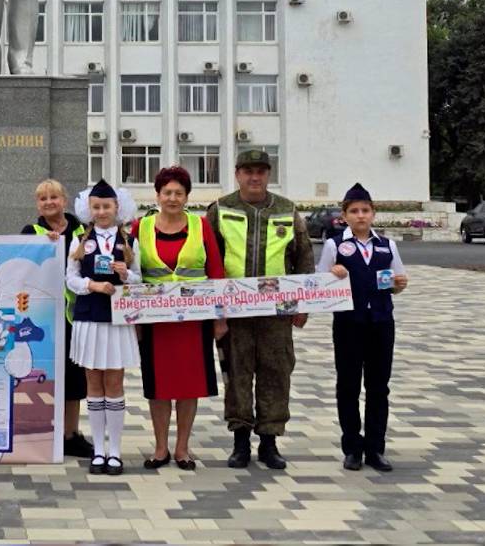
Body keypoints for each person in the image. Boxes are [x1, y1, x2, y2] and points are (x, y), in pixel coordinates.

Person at [205, 149, 313, 470]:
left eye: (261, 172)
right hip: (234, 313)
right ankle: (240, 442)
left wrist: (302, 303)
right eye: (248, 171)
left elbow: (303, 258)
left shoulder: (287, 210)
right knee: (237, 375)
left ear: (268, 174)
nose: (255, 177)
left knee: (276, 373)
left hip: (276, 313)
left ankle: (269, 441)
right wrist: (216, 310)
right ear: (237, 173)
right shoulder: (221, 209)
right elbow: (208, 259)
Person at [129, 166, 226, 471]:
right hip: (155, 323)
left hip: (193, 322)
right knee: (158, 386)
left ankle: (183, 447)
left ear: (187, 197)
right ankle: (160, 448)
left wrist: (219, 318)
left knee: (188, 384)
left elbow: (217, 272)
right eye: (167, 192)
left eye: (178, 193)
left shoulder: (201, 226)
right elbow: (127, 270)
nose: (172, 198)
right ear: (157, 195)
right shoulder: (139, 228)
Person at [316, 182, 410, 472]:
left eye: (365, 210)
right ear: (344, 215)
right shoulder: (335, 244)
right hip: (348, 324)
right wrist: (334, 272)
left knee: (379, 387)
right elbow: (319, 282)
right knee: (348, 385)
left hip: (381, 323)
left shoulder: (386, 245)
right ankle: (352, 448)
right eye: (354, 211)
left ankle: (376, 448)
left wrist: (399, 285)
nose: (360, 216)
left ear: (373, 214)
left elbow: (398, 280)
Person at [65, 179, 141, 475]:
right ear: (89, 208)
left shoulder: (130, 241)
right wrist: (92, 284)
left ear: (116, 207)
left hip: (118, 320)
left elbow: (140, 279)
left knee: (114, 384)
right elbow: (69, 277)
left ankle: (116, 451)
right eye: (95, 206)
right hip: (88, 317)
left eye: (106, 206)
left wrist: (126, 276)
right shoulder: (80, 239)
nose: (101, 211)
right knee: (93, 384)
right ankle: (98, 450)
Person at [19, 178, 92, 458]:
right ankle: (44, 432)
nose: (49, 202)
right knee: (43, 376)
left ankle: (70, 434)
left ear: (64, 200)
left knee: (74, 378)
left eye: (54, 197)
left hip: (76, 316)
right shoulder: (31, 232)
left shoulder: (84, 232)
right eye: (43, 198)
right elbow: (22, 268)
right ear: (37, 204)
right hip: (43, 320)